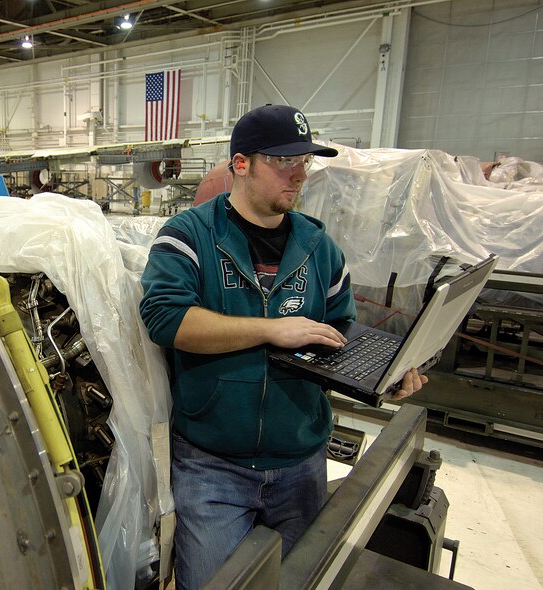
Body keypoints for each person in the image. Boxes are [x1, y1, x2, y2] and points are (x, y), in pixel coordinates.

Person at [139, 104, 427, 589]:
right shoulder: (189, 235)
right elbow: (165, 318)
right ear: (241, 163)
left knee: (299, 582)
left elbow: (338, 335)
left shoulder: (320, 249)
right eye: (283, 160)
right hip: (213, 465)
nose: (299, 173)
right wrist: (271, 328)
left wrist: (382, 376)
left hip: (301, 462)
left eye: (305, 161)